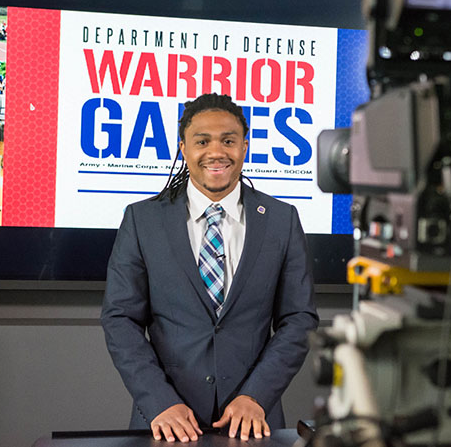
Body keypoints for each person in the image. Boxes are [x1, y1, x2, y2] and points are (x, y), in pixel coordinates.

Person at [101, 93, 318, 443]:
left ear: (244, 147)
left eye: (229, 141)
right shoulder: (142, 219)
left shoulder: (282, 220)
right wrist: (159, 402)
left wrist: (256, 396)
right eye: (202, 141)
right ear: (183, 148)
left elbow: (299, 319)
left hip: (252, 423)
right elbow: (120, 319)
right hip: (165, 424)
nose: (216, 152)